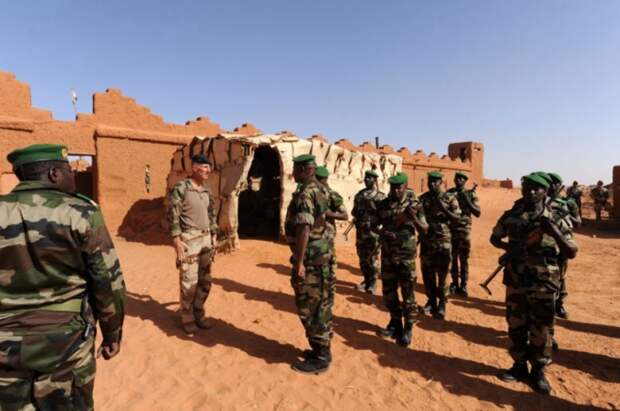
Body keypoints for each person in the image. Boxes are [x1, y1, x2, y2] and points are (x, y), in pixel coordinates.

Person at [0, 144, 125, 410]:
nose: (73, 176)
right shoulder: (81, 212)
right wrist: (112, 333)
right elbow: (108, 281)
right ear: (54, 174)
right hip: (66, 345)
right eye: (69, 170)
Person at [491, 173, 577, 395]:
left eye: (536, 188)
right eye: (527, 187)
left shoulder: (556, 216)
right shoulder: (512, 215)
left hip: (544, 282)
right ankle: (519, 365)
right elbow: (495, 237)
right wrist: (509, 249)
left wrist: (553, 230)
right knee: (516, 324)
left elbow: (571, 251)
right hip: (516, 279)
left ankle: (538, 370)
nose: (530, 192)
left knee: (542, 328)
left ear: (545, 191)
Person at [284, 154, 333, 374]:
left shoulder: (306, 193)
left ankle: (321, 356)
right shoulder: (321, 189)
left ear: (305, 170)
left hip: (311, 259)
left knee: (310, 306)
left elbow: (304, 228)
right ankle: (320, 349)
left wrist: (299, 262)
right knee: (321, 303)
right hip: (321, 255)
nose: (293, 173)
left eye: (296, 169)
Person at [375, 173, 427, 347]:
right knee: (389, 292)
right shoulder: (383, 204)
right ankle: (395, 323)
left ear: (405, 186)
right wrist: (383, 232)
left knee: (408, 294)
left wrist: (413, 218)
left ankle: (408, 328)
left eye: (399, 187)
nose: (396, 190)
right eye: (393, 187)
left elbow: (425, 229)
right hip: (388, 255)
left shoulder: (415, 205)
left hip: (406, 256)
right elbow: (374, 224)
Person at [168, 154, 218, 335]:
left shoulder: (206, 190)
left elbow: (211, 213)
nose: (208, 170)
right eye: (204, 167)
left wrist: (213, 235)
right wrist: (176, 240)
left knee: (205, 281)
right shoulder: (182, 188)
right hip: (189, 240)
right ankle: (187, 317)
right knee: (189, 282)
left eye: (209, 167)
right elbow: (173, 214)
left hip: (206, 239)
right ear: (195, 168)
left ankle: (198, 312)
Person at [419, 171, 461, 319]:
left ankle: (442, 303)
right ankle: (431, 301)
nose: (432, 184)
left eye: (435, 181)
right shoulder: (423, 198)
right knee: (427, 274)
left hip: (443, 242)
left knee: (443, 275)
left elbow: (457, 219)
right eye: (430, 181)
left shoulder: (450, 198)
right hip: (426, 242)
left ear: (441, 182)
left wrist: (444, 209)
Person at [545, 172, 580, 321]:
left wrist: (564, 214)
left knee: (561, 274)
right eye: (549, 183)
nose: (552, 186)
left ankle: (559, 303)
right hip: (544, 243)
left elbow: (578, 223)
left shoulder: (568, 203)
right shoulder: (539, 200)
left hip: (563, 243)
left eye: (555, 184)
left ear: (560, 186)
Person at [352, 170, 386, 293]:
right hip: (361, 231)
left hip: (373, 232)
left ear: (375, 180)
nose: (366, 180)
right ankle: (366, 280)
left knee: (373, 258)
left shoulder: (380, 197)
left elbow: (385, 215)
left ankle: (373, 283)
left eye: (370, 178)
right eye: (366, 177)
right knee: (362, 257)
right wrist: (357, 216)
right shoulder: (359, 195)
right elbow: (354, 211)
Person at [447, 171, 481, 297]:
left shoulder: (471, 194)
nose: (458, 180)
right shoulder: (449, 193)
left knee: (464, 259)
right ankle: (454, 283)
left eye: (462, 179)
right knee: (452, 258)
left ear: (465, 181)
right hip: (451, 229)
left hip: (464, 230)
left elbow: (477, 212)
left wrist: (467, 199)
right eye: (457, 178)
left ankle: (464, 285)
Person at [315, 166, 349, 279]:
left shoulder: (333, 195)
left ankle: (330, 279)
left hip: (327, 232)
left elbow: (345, 215)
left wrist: (327, 214)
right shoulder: (314, 193)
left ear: (322, 179)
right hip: (314, 232)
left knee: (329, 257)